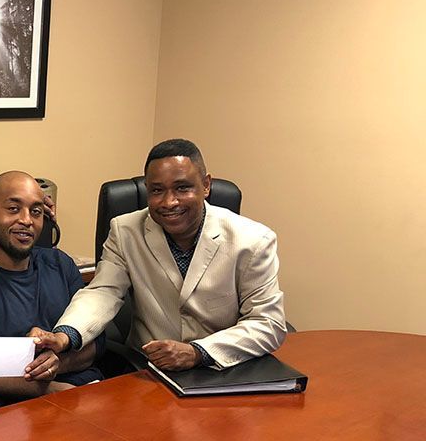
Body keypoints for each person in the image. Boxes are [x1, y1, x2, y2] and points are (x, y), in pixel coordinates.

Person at [36, 139, 287, 371]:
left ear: (206, 185)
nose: (169, 202)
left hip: (224, 370)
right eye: (157, 190)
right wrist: (65, 335)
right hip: (149, 370)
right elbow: (103, 292)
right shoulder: (125, 231)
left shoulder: (253, 240)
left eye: (182, 188)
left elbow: (268, 324)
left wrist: (198, 352)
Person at [0, 172, 103, 401]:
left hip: (88, 391)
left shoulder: (61, 264)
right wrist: (52, 389)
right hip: (18, 405)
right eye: (14, 209)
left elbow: (96, 344)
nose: (26, 220)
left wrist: (57, 363)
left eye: (36, 212)